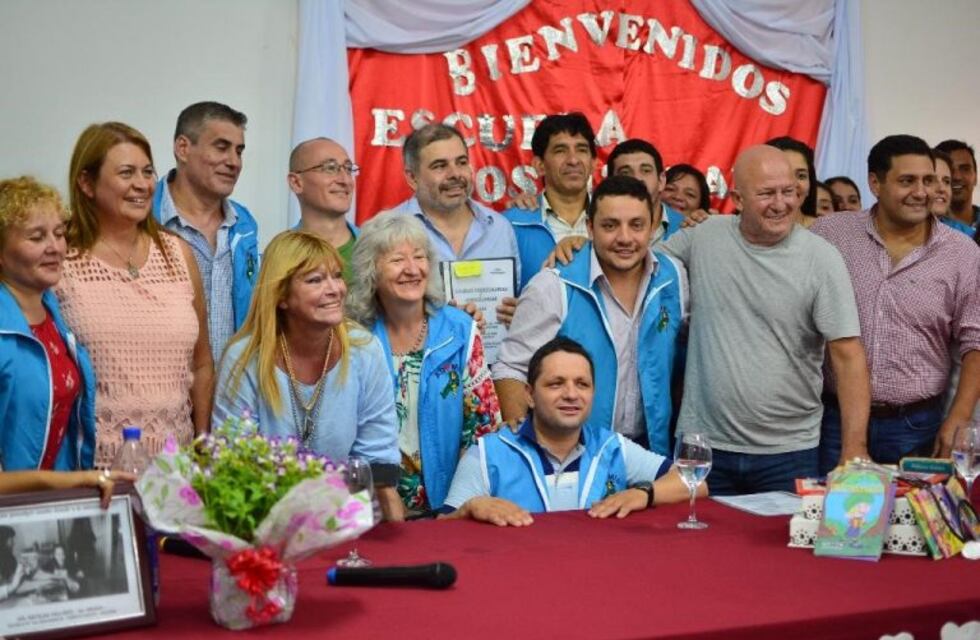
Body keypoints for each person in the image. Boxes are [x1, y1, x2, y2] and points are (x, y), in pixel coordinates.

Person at [661, 145, 870, 495]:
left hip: (790, 452)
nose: (781, 203)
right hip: (703, 447)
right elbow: (637, 264)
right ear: (738, 198)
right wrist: (577, 245)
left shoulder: (822, 259)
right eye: (766, 194)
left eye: (789, 192)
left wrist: (853, 449)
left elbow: (849, 357)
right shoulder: (704, 236)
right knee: (694, 548)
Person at [811, 135, 980, 467]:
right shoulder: (831, 235)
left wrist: (959, 418)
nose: (921, 192)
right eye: (907, 181)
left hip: (917, 426)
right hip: (833, 421)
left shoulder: (962, 254)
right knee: (829, 516)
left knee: (910, 518)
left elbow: (975, 342)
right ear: (875, 182)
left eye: (928, 180)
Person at [212, 230, 404, 520]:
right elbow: (232, 465)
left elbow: (376, 460)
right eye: (315, 280)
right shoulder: (244, 358)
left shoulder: (364, 349)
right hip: (264, 519)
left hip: (349, 517)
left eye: (337, 276)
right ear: (281, 297)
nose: (335, 289)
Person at [494, 175, 687, 455]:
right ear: (590, 228)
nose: (624, 238)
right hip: (573, 454)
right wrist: (528, 452)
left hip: (651, 451)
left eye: (636, 225)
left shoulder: (674, 277)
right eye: (610, 225)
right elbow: (510, 368)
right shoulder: (553, 284)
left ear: (652, 227)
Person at [56, 122, 213, 467]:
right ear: (86, 183)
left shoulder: (179, 255)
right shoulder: (61, 260)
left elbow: (201, 364)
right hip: (94, 468)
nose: (142, 184)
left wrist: (202, 446)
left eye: (147, 172)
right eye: (126, 173)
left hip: (178, 466)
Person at [443, 338, 702, 525]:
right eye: (556, 384)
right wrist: (469, 508)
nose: (571, 394)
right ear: (530, 396)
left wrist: (644, 493)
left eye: (582, 384)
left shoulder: (612, 447)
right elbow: (439, 529)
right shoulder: (487, 454)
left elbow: (695, 483)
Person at [347, 212, 502, 514]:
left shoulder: (459, 330)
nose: (412, 269)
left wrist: (454, 507)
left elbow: (482, 428)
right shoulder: (354, 338)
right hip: (373, 511)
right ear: (371, 271)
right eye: (396, 260)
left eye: (419, 257)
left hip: (451, 508)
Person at [152, 102, 260, 364]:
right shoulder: (144, 218)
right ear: (183, 148)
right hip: (164, 390)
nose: (234, 162)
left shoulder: (244, 225)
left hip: (232, 395)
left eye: (239, 151)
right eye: (221, 147)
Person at [0, 177, 95, 471]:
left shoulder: (54, 315)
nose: (55, 247)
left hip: (47, 505)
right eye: (37, 237)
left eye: (59, 233)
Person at [394, 123, 520, 325]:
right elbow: (374, 314)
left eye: (461, 162)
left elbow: (515, 302)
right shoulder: (387, 232)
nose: (455, 174)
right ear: (412, 177)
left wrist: (518, 312)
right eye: (440, 166)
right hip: (420, 356)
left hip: (495, 354)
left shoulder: (499, 228)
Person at [503, 113, 595, 290]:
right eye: (560, 150)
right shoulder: (509, 224)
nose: (573, 160)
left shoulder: (614, 221)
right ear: (539, 165)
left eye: (582, 150)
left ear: (593, 163)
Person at [287, 137, 360, 283]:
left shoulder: (378, 250)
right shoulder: (282, 256)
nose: (345, 180)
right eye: (330, 168)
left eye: (348, 169)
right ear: (296, 182)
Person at [607, 139, 685, 244]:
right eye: (625, 173)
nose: (637, 178)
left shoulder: (687, 227)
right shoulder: (597, 229)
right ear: (610, 184)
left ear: (661, 181)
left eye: (646, 171)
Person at [767, 136, 818, 227]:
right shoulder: (740, 232)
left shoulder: (829, 233)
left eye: (801, 176)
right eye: (783, 174)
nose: (793, 184)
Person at [934, 139, 978, 229]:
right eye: (950, 170)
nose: (957, 177)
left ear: (976, 177)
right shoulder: (923, 230)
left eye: (965, 169)